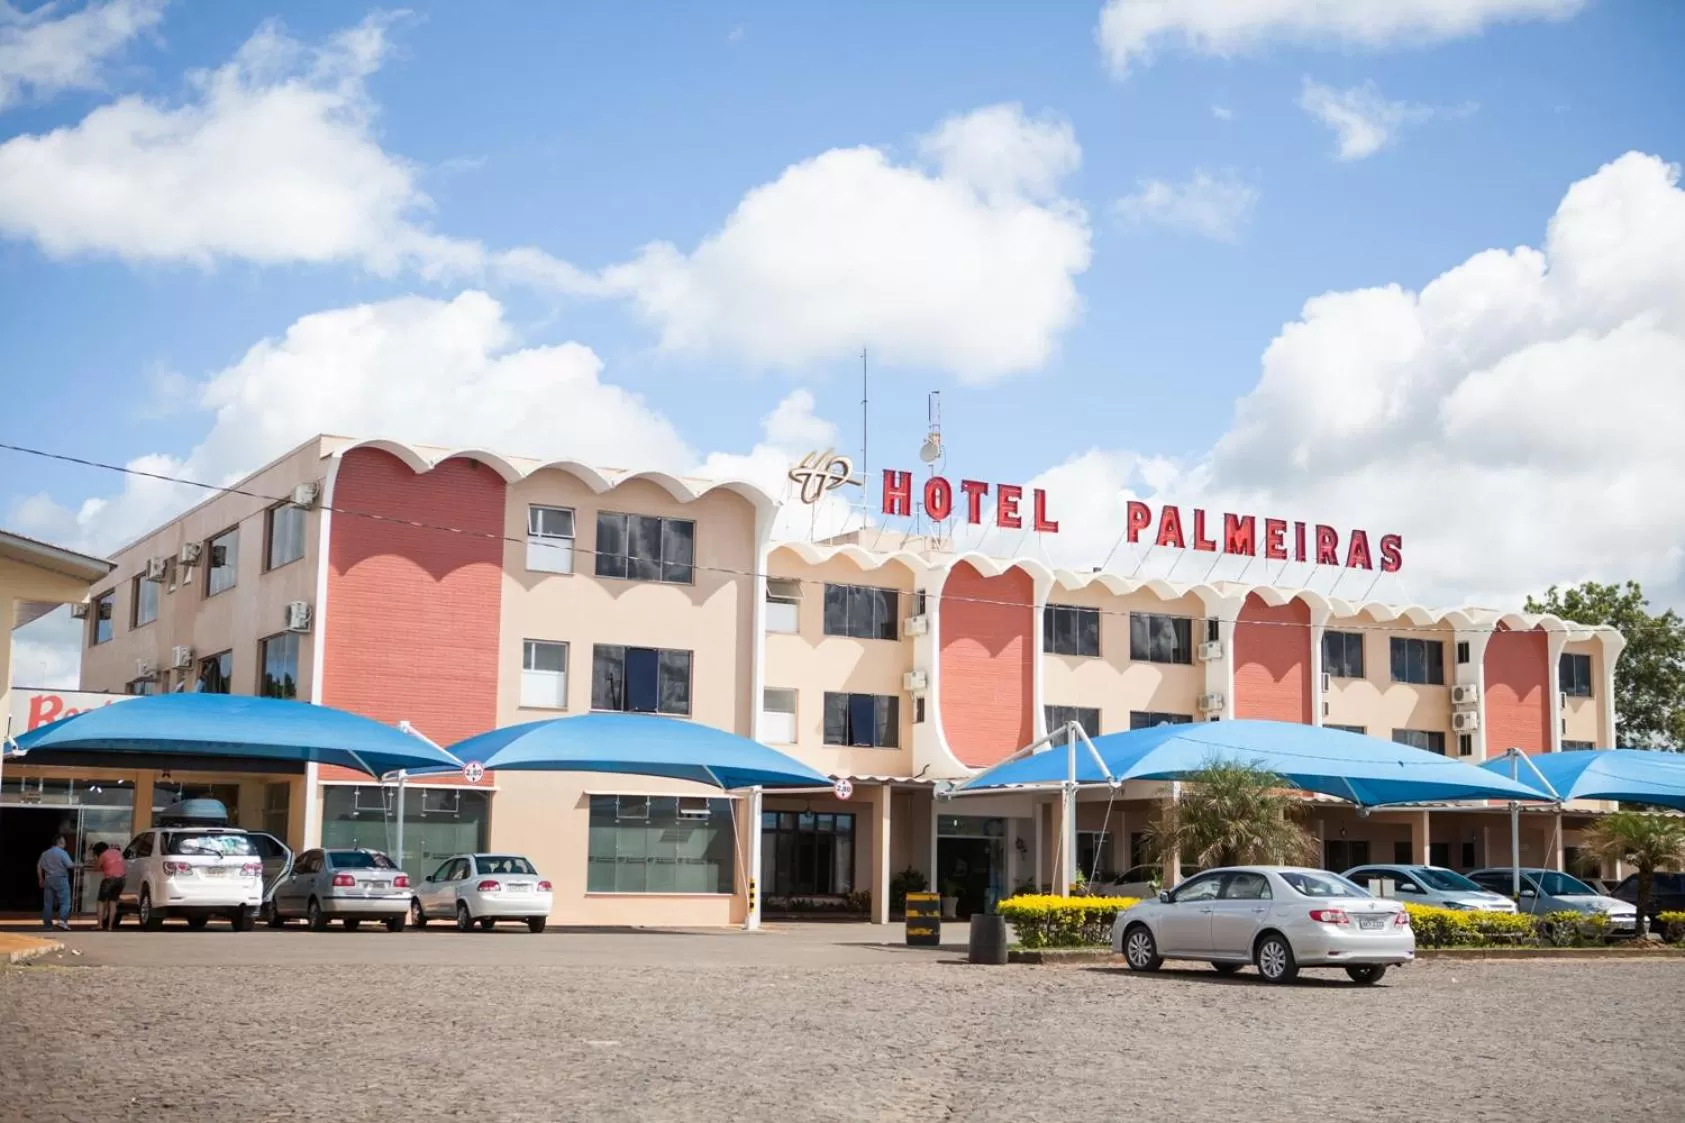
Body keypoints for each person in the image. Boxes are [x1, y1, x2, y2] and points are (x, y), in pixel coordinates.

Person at [37, 834, 75, 931]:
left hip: (48, 879)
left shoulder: (45, 853)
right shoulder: (62, 853)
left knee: (48, 903)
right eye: (64, 842)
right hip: (61, 878)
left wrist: (41, 878)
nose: (65, 844)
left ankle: (47, 925)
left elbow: (39, 866)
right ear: (60, 842)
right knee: (65, 902)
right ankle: (62, 920)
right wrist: (79, 865)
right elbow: (70, 865)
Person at [92, 841, 127, 931]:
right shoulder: (118, 852)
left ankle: (100, 925)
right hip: (122, 880)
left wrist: (96, 859)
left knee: (101, 901)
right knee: (113, 902)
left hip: (109, 880)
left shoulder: (103, 855)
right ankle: (110, 927)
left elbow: (96, 868)